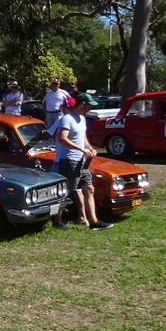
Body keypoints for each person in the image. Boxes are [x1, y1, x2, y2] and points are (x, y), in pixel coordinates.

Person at [52, 92, 109, 231]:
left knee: (89, 188)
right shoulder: (67, 119)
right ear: (82, 104)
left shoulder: (82, 119)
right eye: (89, 106)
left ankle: (94, 221)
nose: (90, 109)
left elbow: (83, 138)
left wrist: (90, 148)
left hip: (82, 161)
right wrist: (81, 149)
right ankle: (57, 220)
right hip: (69, 160)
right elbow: (62, 139)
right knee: (65, 192)